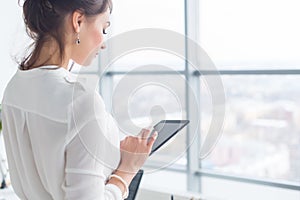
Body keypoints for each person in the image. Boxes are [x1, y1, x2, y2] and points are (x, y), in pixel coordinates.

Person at [1, 0, 157, 199]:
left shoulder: (14, 88)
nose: (103, 43)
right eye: (103, 28)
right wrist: (126, 171)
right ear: (78, 20)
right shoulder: (81, 102)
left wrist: (101, 151)